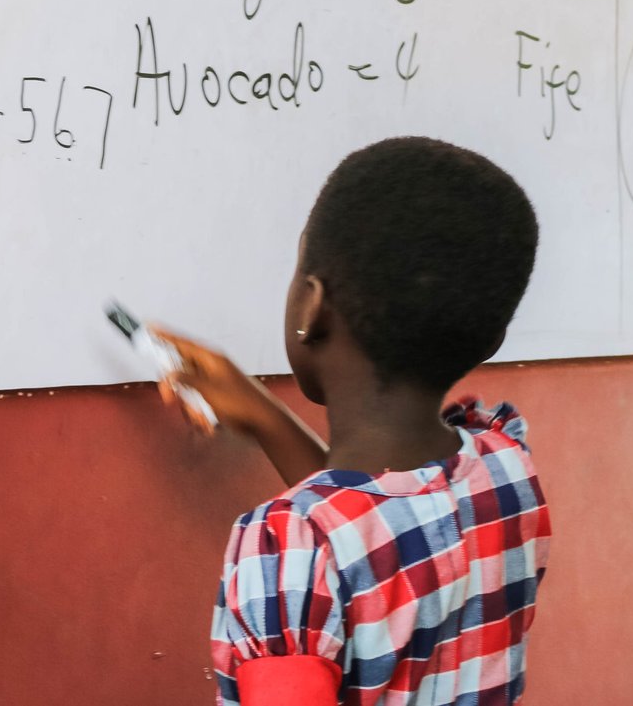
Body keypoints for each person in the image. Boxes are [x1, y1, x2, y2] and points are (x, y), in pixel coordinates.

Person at [155, 136, 549, 706]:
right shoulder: (507, 471)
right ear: (491, 339)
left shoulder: (287, 546)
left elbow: (345, 538)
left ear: (310, 305)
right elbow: (383, 523)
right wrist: (268, 417)